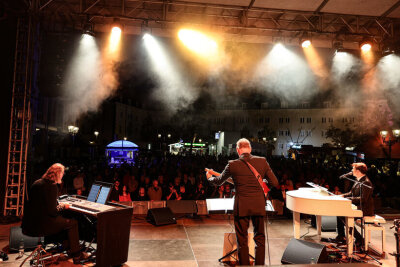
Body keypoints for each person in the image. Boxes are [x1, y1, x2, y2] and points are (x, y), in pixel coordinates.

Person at [206, 138, 279, 265]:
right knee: (260, 238)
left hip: (242, 206)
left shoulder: (232, 164)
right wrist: (264, 185)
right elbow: (275, 183)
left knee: (242, 240)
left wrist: (210, 178)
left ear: (238, 150)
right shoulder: (262, 161)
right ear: (250, 149)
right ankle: (260, 265)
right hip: (258, 205)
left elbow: (219, 181)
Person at [21, 163, 88, 263]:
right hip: (43, 224)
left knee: (64, 220)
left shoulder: (37, 183)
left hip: (29, 225)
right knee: (72, 223)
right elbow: (52, 211)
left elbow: (42, 204)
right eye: (62, 173)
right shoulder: (52, 186)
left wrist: (57, 204)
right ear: (58, 174)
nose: (62, 176)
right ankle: (77, 255)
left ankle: (68, 248)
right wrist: (63, 206)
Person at [336, 162, 374, 247]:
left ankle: (360, 239)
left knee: (344, 216)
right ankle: (341, 236)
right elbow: (351, 192)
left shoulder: (366, 182)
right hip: (358, 207)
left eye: (353, 169)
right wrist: (342, 195)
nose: (351, 170)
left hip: (364, 209)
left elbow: (363, 199)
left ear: (358, 171)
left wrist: (347, 199)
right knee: (339, 214)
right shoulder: (358, 180)